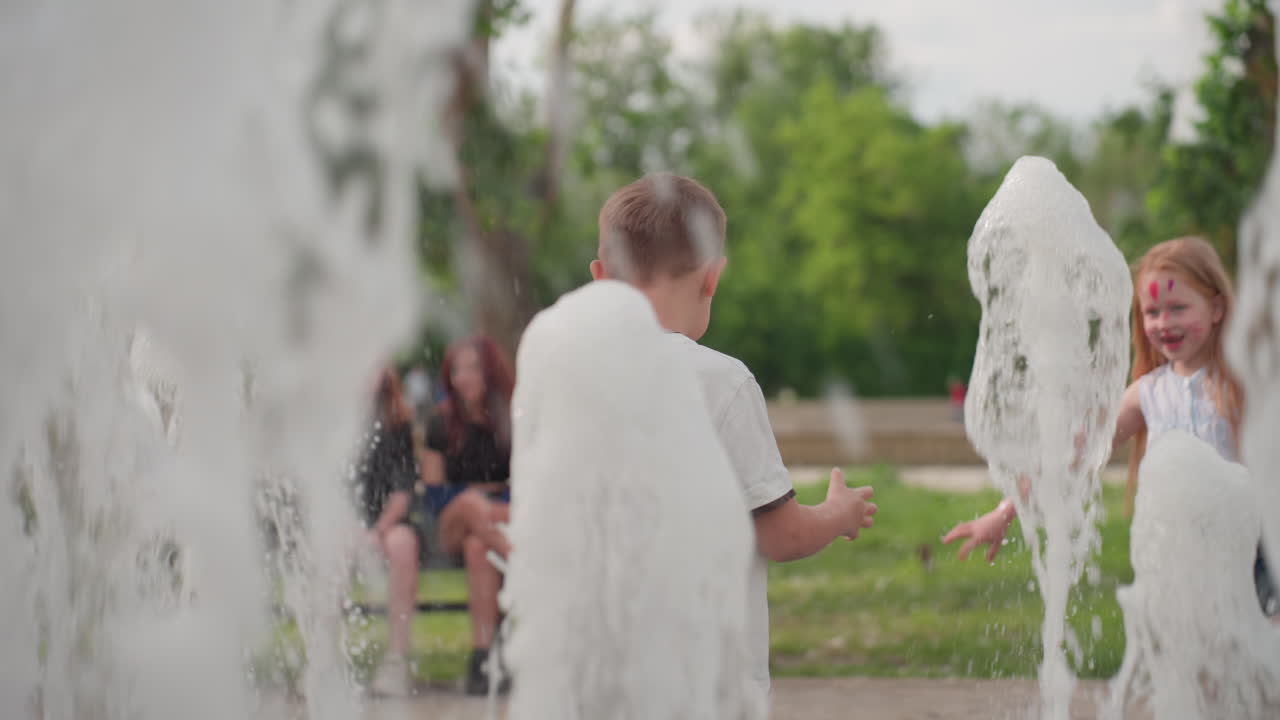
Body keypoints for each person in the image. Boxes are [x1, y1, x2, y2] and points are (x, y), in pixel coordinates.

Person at [588, 172, 880, 704]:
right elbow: (779, 535)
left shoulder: (571, 377)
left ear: (601, 277)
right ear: (712, 278)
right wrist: (838, 514)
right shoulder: (720, 383)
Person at [943, 237, 1275, 615]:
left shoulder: (1246, 386)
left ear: (1216, 308)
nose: (1164, 323)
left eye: (1178, 308)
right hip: (1185, 555)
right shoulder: (1148, 394)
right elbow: (1073, 454)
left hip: (1257, 546)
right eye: (1152, 312)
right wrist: (1004, 512)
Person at [421, 335, 514, 695]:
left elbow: (526, 482)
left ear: (489, 370)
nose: (462, 377)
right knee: (473, 506)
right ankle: (528, 569)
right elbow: (434, 495)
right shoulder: (441, 423)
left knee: (480, 548)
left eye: (472, 368)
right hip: (449, 523)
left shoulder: (510, 418)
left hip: (492, 525)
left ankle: (483, 661)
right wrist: (484, 503)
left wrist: (497, 506)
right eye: (456, 370)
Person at [352, 367, 423, 696]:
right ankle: (324, 662)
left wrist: (378, 529)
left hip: (386, 521)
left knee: (403, 545)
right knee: (329, 548)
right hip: (344, 523)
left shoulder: (397, 423)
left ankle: (396, 660)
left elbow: (403, 488)